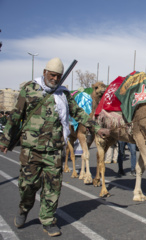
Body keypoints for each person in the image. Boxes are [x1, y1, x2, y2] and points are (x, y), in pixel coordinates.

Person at [0, 58, 109, 236]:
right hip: (31, 150)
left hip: (55, 150)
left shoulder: (63, 94)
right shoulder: (29, 89)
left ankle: (48, 219)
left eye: (59, 76)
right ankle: (24, 209)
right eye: (52, 75)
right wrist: (5, 140)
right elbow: (15, 115)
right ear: (44, 72)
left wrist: (96, 128)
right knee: (28, 186)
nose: (56, 79)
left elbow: (78, 113)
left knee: (53, 187)